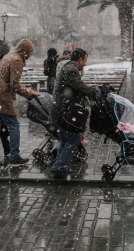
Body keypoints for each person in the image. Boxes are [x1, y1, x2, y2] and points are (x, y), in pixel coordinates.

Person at [0, 39, 37, 166]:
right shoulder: (17, 60)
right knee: (14, 125)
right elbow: (15, 84)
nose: (31, 54)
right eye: (30, 51)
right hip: (2, 97)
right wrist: (29, 94)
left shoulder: (9, 56)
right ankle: (14, 156)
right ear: (24, 50)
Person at [50, 48, 99, 178]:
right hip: (64, 111)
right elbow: (78, 86)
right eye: (85, 60)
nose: (86, 63)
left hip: (60, 110)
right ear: (80, 60)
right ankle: (59, 167)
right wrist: (93, 91)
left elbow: (76, 87)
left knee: (65, 139)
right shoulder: (71, 69)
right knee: (73, 139)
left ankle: (59, 166)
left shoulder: (68, 67)